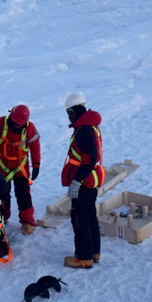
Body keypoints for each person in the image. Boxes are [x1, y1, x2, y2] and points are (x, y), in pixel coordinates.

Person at [60, 92, 104, 269]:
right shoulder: (89, 126)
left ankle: (83, 257)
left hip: (85, 182)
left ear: (77, 110)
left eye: (70, 112)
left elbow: (90, 158)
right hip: (90, 180)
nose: (69, 116)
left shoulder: (85, 130)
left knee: (80, 219)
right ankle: (93, 252)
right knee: (90, 216)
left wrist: (77, 182)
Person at [0, 104, 41, 234]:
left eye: (20, 125)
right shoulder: (1, 123)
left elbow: (35, 147)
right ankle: (3, 216)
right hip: (2, 166)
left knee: (23, 193)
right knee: (2, 193)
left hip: (21, 167)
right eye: (15, 124)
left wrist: (36, 165)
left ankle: (27, 221)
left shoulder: (30, 128)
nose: (18, 127)